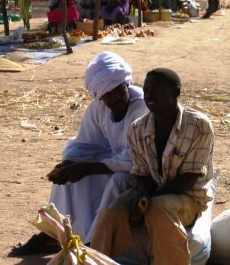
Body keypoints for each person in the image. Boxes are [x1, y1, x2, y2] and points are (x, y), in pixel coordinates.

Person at [9, 51, 148, 255]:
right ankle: (54, 234)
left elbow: (137, 158)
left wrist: (87, 168)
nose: (115, 98)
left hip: (140, 172)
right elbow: (86, 144)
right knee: (69, 178)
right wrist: (69, 164)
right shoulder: (98, 108)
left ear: (126, 84)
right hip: (114, 163)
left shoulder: (143, 108)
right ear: (99, 96)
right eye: (107, 95)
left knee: (116, 180)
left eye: (119, 91)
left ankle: (93, 243)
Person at [91, 68, 215, 265]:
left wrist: (147, 203)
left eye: (156, 90)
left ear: (175, 92)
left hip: (188, 196)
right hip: (154, 191)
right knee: (112, 214)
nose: (148, 96)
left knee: (157, 209)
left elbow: (189, 177)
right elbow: (142, 173)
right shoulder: (137, 128)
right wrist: (141, 196)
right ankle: (94, 261)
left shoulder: (199, 126)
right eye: (146, 90)